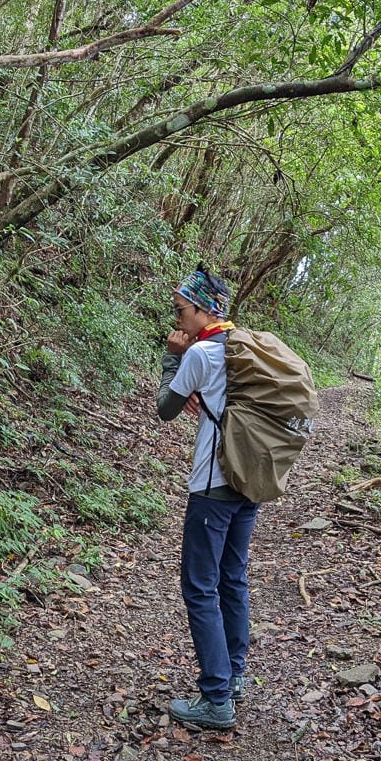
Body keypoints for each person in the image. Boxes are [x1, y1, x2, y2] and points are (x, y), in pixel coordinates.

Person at [156, 264, 258, 729]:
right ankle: (233, 676)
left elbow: (165, 410)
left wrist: (173, 359)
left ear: (202, 309)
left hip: (212, 485)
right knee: (232, 579)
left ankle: (217, 699)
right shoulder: (245, 348)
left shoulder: (201, 355)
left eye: (181, 310)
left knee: (199, 588)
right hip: (248, 480)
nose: (177, 319)